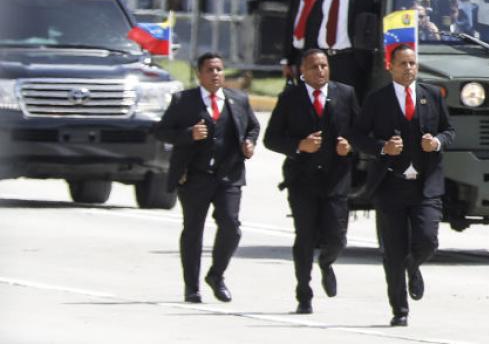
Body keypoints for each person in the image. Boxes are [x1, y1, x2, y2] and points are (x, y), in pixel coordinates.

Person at [351, 45, 455, 327]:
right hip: (390, 186)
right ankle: (400, 309)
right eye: (403, 63)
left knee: (428, 240)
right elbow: (357, 135)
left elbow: (450, 131)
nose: (409, 68)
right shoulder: (377, 100)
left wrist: (437, 143)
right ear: (390, 66)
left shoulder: (432, 95)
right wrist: (382, 148)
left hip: (425, 186)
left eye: (412, 63)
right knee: (393, 252)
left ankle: (414, 264)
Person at [154, 53, 259, 304]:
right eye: (210, 70)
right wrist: (189, 134)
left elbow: (253, 127)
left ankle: (216, 275)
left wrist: (249, 142)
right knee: (193, 231)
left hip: (229, 175)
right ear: (199, 74)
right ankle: (192, 287)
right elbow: (162, 131)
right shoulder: (183, 101)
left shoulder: (238, 100)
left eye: (220, 70)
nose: (216, 74)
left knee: (231, 227)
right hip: (195, 177)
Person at [263, 49, 360, 315]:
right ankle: (303, 292)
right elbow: (271, 139)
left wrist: (349, 146)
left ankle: (327, 263)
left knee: (337, 238)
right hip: (302, 179)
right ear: (302, 72)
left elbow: (362, 133)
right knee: (305, 237)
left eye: (324, 66)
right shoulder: (290, 98)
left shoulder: (345, 94)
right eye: (314, 67)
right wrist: (298, 146)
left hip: (336, 178)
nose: (320, 71)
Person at [307, 0, 383, 100]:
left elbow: (383, 13)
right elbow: (316, 23)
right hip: (323, 59)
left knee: (350, 108)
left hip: (350, 61)